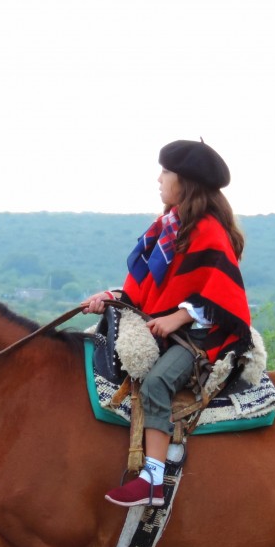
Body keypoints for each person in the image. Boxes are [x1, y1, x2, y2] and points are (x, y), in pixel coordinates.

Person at [82, 137, 252, 508]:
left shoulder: (209, 230)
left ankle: (153, 479)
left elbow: (223, 294)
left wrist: (178, 316)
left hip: (202, 337)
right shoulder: (167, 226)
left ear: (184, 181)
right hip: (165, 327)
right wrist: (111, 298)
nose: (159, 180)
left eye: (165, 172)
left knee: (157, 381)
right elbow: (147, 289)